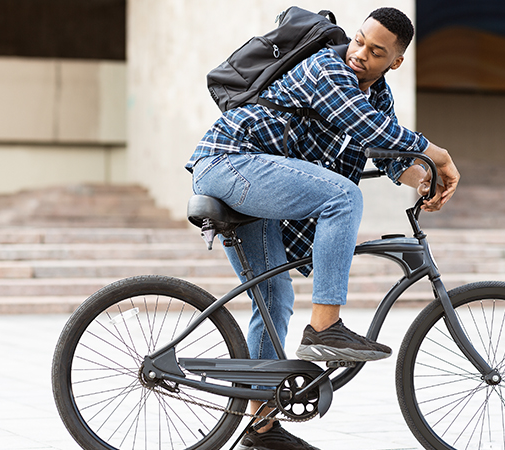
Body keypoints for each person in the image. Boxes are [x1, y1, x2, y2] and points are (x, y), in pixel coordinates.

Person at [185, 7, 460, 450]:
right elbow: (365, 126)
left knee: (275, 299)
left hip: (258, 178)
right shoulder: (327, 66)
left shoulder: (378, 96)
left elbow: (382, 148)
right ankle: (324, 327)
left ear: (395, 62)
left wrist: (423, 175)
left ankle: (261, 429)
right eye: (358, 40)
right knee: (343, 196)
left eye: (375, 51)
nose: (360, 54)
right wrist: (440, 153)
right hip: (230, 162)